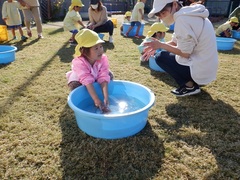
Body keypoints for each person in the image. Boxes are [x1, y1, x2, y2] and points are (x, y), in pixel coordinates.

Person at [144, 0, 218, 97]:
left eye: (163, 12)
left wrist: (161, 46)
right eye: (159, 15)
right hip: (206, 68)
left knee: (160, 57)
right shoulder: (189, 14)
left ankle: (189, 87)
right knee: (163, 54)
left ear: (174, 4)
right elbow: (175, 42)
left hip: (200, 70)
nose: (162, 17)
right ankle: (192, 83)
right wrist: (157, 46)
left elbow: (185, 53)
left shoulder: (183, 19)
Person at [66, 29, 113, 112]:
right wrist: (96, 99)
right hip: (81, 79)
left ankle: (97, 89)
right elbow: (86, 80)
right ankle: (83, 94)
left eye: (101, 46)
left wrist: (106, 97)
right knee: (74, 84)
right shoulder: (79, 62)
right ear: (84, 51)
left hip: (95, 75)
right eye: (96, 48)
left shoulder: (102, 58)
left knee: (109, 74)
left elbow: (103, 75)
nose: (100, 50)